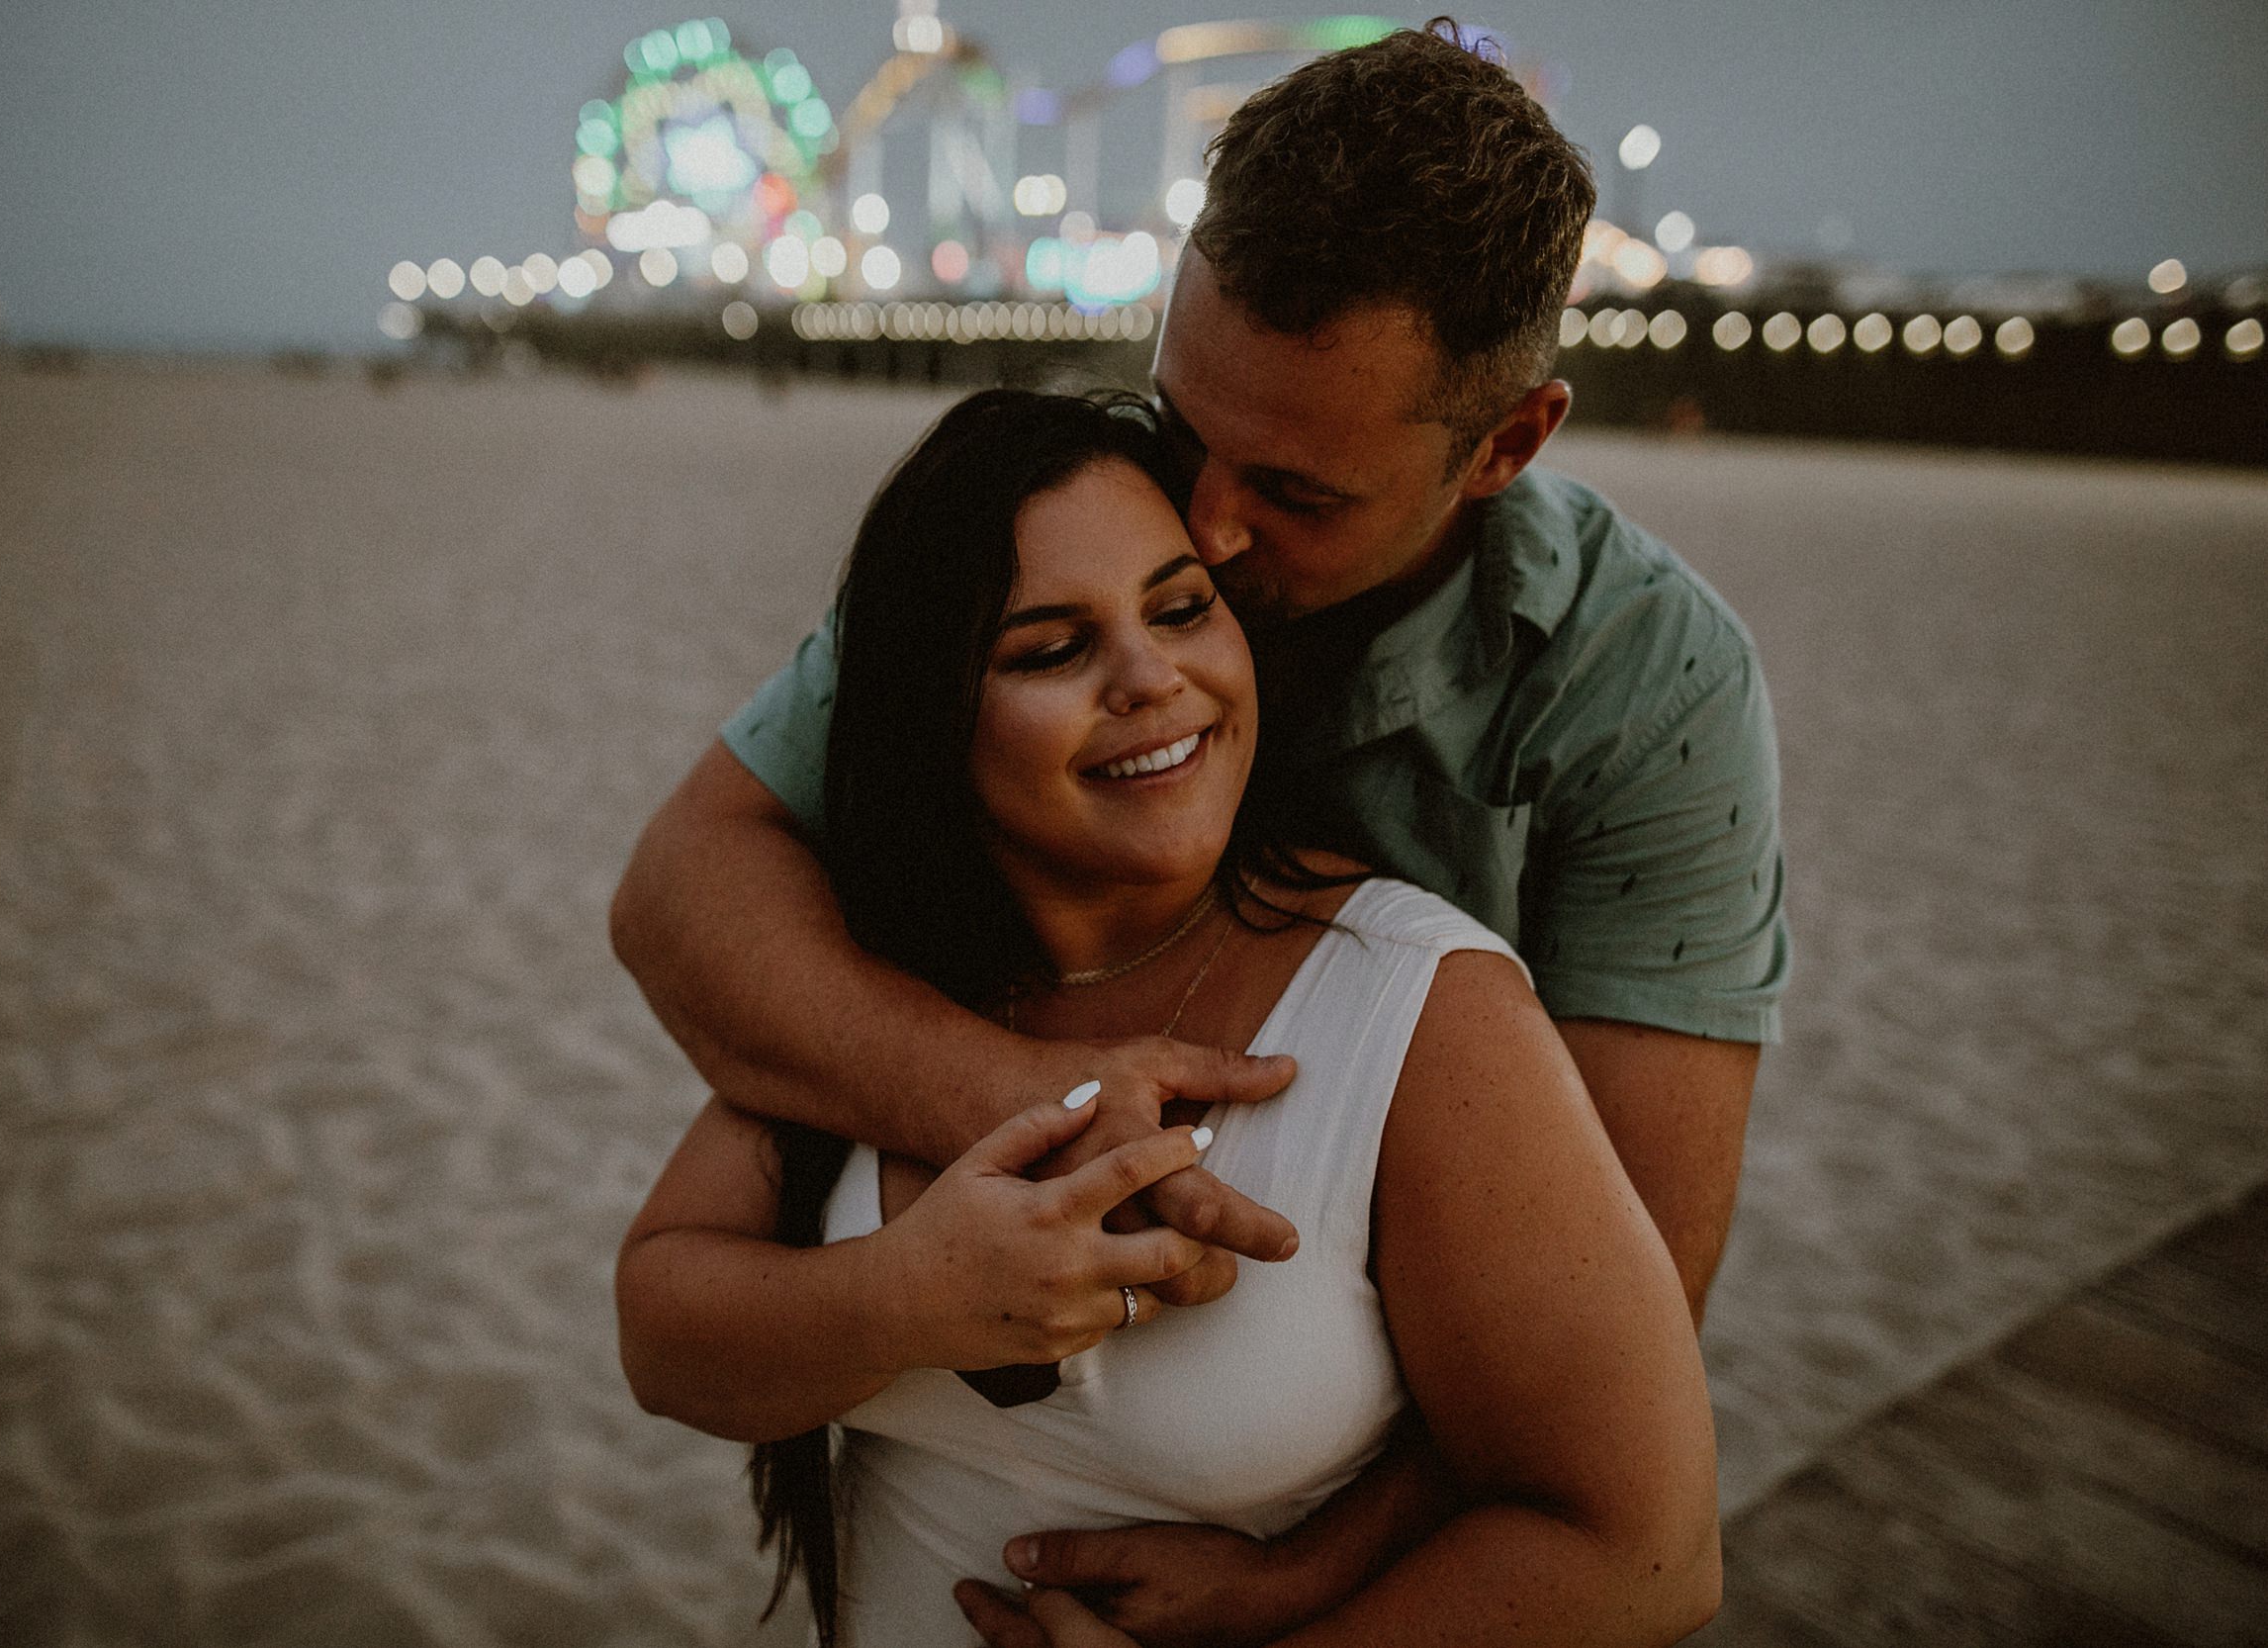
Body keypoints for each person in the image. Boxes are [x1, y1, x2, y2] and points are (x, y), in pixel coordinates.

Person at [612, 21, 1785, 1637]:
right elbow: (686, 891)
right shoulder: (1083, 528)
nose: (1211, 534)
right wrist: (1029, 1116)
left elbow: (1632, 1313)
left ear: (1504, 445)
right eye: (1185, 427)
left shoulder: (1639, 689)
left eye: (1295, 495)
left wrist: (1311, 1575)